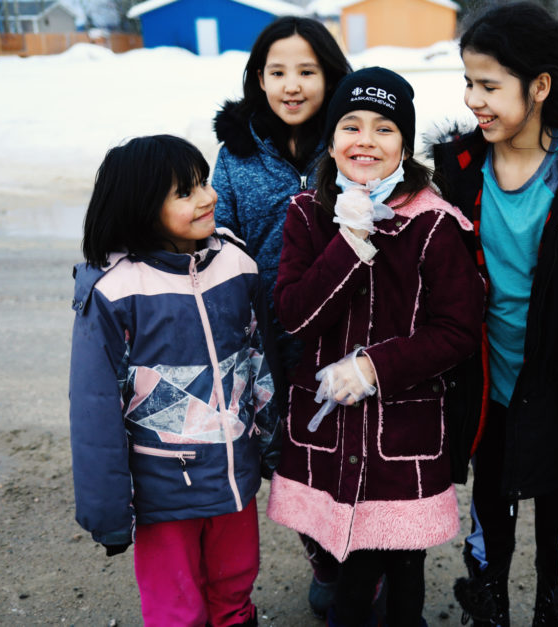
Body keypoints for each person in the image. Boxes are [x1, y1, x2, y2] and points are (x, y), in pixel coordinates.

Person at [429, 3, 558, 624]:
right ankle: (486, 604)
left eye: (489, 85)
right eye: (468, 82)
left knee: (556, 519)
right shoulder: (458, 172)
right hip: (486, 385)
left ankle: (553, 609)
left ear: (540, 86)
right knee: (489, 508)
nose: (474, 100)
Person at [266, 67, 485, 627]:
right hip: (330, 433)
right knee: (346, 572)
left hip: (401, 434)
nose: (366, 140)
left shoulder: (434, 224)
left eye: (384, 129)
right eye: (351, 125)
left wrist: (372, 367)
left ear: (405, 145)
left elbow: (457, 330)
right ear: (332, 139)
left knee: (402, 571)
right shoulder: (306, 214)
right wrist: (350, 241)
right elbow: (294, 315)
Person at [69, 135, 280, 627]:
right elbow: (94, 410)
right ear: (142, 208)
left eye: (204, 182)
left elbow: (260, 361)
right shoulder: (115, 290)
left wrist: (274, 446)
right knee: (176, 604)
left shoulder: (236, 264)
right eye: (185, 192)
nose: (207, 196)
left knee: (236, 581)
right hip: (165, 489)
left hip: (233, 475)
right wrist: (108, 512)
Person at [211, 16, 351, 616]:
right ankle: (322, 557)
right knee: (289, 463)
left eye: (307, 71)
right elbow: (214, 240)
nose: (291, 85)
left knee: (348, 455)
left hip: (348, 336)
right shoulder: (236, 157)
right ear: (258, 79)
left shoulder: (354, 141)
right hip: (266, 341)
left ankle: (359, 562)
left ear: (331, 77)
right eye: (277, 72)